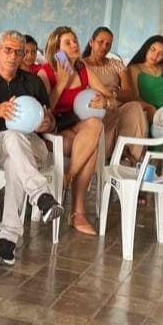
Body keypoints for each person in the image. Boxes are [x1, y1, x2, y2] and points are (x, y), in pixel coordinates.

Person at [0, 30, 63, 266]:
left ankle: (13, 234)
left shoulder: (33, 83)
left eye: (19, 52)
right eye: (7, 50)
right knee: (12, 144)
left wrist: (48, 123)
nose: (13, 56)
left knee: (15, 154)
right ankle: (36, 201)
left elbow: (50, 121)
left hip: (32, 146)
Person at [34, 26, 104, 235]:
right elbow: (43, 110)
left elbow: (108, 94)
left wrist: (104, 100)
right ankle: (78, 214)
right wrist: (62, 83)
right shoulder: (45, 72)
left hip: (76, 126)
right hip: (53, 131)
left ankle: (68, 176)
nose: (75, 45)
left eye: (75, 40)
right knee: (90, 149)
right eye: (68, 42)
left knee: (96, 124)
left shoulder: (83, 69)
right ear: (56, 49)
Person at [80, 27, 149, 162]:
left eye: (108, 44)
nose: (104, 47)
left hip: (115, 106)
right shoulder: (81, 65)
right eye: (101, 42)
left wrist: (112, 95)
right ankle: (106, 153)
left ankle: (130, 158)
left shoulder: (116, 65)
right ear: (91, 42)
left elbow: (130, 93)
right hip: (93, 109)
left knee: (135, 107)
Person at [126, 35, 163, 116]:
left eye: (161, 54)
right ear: (146, 48)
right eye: (153, 50)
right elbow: (135, 98)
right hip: (148, 113)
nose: (155, 56)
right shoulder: (134, 69)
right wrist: (150, 108)